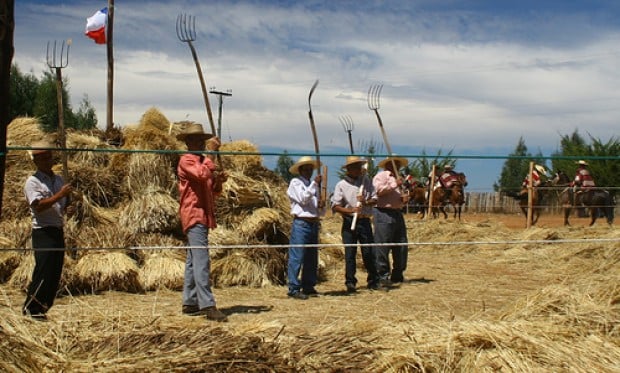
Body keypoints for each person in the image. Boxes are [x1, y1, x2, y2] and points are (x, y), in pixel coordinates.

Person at [177, 122, 228, 322]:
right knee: (201, 260)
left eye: (201, 140)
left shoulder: (201, 161)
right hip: (194, 214)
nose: (199, 142)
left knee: (192, 259)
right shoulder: (187, 160)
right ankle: (207, 304)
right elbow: (201, 174)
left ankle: (190, 301)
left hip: (203, 214)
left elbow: (211, 190)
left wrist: (218, 182)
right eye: (195, 139)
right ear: (188, 142)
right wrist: (212, 156)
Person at [23, 139, 73, 321]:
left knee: (54, 272)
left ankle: (43, 308)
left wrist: (68, 204)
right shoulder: (33, 182)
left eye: (48, 157)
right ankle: (31, 307)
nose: (46, 161)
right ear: (35, 161)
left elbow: (63, 204)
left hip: (57, 229)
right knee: (43, 271)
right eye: (42, 159)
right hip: (43, 231)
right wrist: (60, 194)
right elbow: (38, 206)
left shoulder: (58, 179)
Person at [331, 156, 379, 293]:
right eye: (356, 167)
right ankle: (350, 282)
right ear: (349, 169)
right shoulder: (341, 185)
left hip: (364, 220)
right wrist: (351, 210)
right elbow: (336, 206)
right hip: (349, 221)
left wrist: (365, 202)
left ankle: (373, 280)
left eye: (360, 167)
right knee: (350, 253)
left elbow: (374, 199)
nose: (359, 170)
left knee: (368, 251)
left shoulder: (366, 182)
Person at [287, 156, 324, 300]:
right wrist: (314, 184)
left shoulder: (314, 186)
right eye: (306, 169)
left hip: (313, 222)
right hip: (301, 223)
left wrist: (321, 205)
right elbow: (303, 198)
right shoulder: (296, 183)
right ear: (300, 170)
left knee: (311, 256)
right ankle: (294, 288)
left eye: (311, 169)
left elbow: (316, 208)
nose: (309, 172)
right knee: (297, 256)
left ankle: (308, 285)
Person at [372, 156, 409, 286]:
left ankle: (398, 273)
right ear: (388, 165)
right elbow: (378, 191)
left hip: (397, 212)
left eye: (398, 164)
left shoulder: (399, 178)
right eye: (395, 163)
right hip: (383, 212)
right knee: (382, 245)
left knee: (401, 243)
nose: (397, 166)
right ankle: (382, 275)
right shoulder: (381, 176)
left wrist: (403, 199)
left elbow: (398, 194)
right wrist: (394, 185)